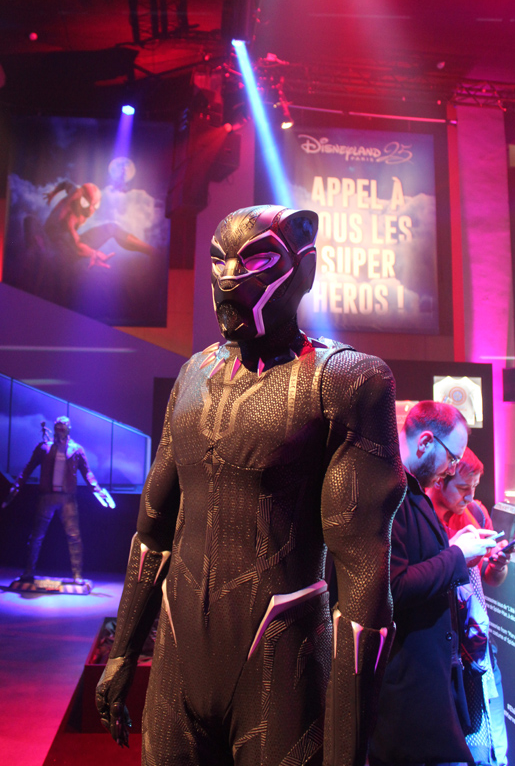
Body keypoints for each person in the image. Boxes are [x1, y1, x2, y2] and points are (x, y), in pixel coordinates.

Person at [96, 204, 407, 766]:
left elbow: (363, 577)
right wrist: (121, 654)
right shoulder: (193, 375)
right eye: (219, 261)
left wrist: (347, 748)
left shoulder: (344, 380)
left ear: (304, 269)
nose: (229, 278)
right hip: (179, 660)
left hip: (281, 660)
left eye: (257, 260)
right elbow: (152, 531)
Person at [369, 400, 499, 766]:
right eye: (452, 458)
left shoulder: (409, 489)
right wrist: (456, 555)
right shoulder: (387, 493)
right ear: (425, 442)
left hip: (427, 687)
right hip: (406, 697)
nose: (452, 469)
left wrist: (458, 549)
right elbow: (392, 587)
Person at [429, 447, 509, 766]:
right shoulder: (424, 521)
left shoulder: (475, 512)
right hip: (443, 651)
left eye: (474, 487)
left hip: (479, 645)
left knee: (492, 741)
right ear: (441, 480)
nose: (471, 496)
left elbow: (491, 577)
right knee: (456, 745)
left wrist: (498, 563)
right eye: (463, 487)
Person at [4, 416, 114, 582]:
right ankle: (28, 571)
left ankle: (77, 575)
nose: (60, 431)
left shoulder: (76, 450)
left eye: (63, 428)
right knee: (36, 536)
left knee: (74, 537)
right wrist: (17, 485)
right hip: (47, 497)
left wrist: (97, 490)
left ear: (68, 429)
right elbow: (28, 468)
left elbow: (87, 473)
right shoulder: (44, 448)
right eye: (57, 428)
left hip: (67, 499)